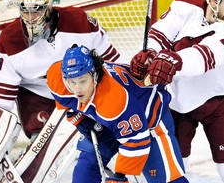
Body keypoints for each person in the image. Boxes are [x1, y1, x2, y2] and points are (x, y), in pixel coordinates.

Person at [0, 0, 122, 180]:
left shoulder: (79, 22)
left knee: (102, 135)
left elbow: (113, 64)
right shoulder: (9, 40)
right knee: (44, 154)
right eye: (26, 12)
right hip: (39, 94)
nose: (30, 18)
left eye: (36, 11)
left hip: (82, 89)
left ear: (49, 9)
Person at [130, 0, 224, 183]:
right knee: (175, 167)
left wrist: (172, 60)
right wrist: (150, 53)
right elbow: (161, 33)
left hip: (218, 104)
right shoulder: (185, 6)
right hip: (178, 104)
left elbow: (204, 58)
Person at [46, 45, 189, 183]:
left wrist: (119, 176)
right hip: (110, 122)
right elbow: (69, 103)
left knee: (168, 180)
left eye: (82, 81)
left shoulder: (113, 100)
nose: (77, 89)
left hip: (149, 120)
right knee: (85, 172)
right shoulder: (55, 77)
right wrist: (82, 121)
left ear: (94, 76)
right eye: (72, 82)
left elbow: (137, 139)